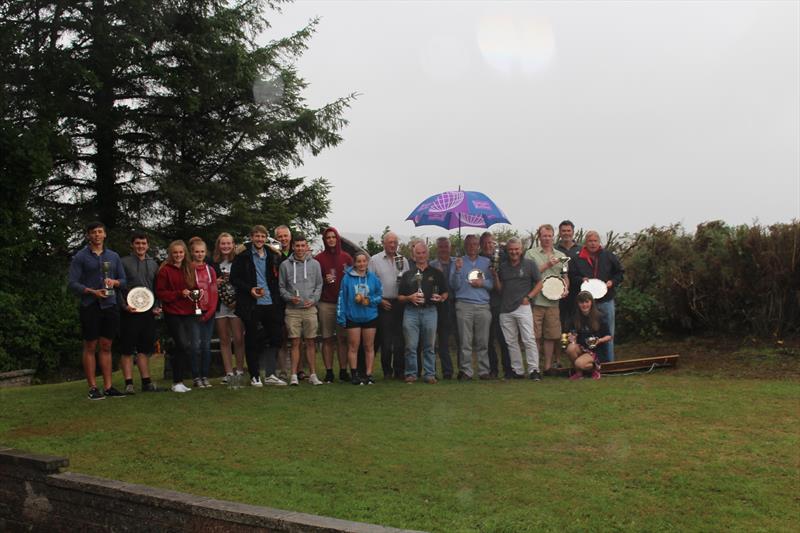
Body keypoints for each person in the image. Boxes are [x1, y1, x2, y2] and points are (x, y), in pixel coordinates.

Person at [67, 221, 127, 400]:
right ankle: (93, 387)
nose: (97, 235)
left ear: (105, 234)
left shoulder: (114, 256)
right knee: (90, 346)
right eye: (93, 232)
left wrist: (114, 283)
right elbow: (72, 283)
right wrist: (92, 292)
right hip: (90, 305)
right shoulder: (80, 257)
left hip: (110, 305)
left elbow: (123, 281)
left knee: (107, 346)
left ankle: (108, 387)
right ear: (88, 235)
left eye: (100, 232)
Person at [230, 225, 286, 387]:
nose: (260, 239)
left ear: (266, 238)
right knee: (252, 340)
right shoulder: (243, 255)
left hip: (271, 302)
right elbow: (234, 279)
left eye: (262, 236)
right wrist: (250, 289)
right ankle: (255, 375)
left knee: (276, 337)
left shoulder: (272, 255)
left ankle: (270, 373)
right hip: (252, 304)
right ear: (252, 237)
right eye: (257, 236)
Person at [397, 241, 448, 384]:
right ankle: (411, 374)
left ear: (428, 254)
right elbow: (399, 297)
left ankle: (430, 374)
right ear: (413, 256)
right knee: (411, 346)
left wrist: (441, 298)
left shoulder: (436, 273)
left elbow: (445, 293)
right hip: (411, 312)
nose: (420, 256)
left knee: (429, 346)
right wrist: (409, 297)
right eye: (417, 253)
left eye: (423, 253)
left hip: (430, 311)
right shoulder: (407, 274)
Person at [279, 234, 324, 386]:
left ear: (306, 246)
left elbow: (319, 285)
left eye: (302, 245)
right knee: (295, 342)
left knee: (311, 342)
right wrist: (290, 298)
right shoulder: (285, 265)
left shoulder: (315, 264)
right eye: (297, 246)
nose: (300, 249)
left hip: (310, 309)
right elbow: (281, 287)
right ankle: (293, 375)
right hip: (292, 310)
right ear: (293, 247)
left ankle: (313, 374)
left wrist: (313, 300)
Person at [572, 230, 624, 361]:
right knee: (588, 334)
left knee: (608, 334)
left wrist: (612, 282)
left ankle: (609, 364)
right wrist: (581, 280)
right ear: (585, 242)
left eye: (595, 241)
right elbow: (572, 277)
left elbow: (620, 273)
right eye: (590, 241)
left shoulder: (608, 255)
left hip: (606, 301)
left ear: (599, 242)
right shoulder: (577, 258)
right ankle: (590, 363)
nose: (593, 243)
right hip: (586, 304)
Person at [495, 237, 542, 380]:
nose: (514, 252)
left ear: (521, 250)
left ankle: (534, 370)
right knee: (511, 342)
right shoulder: (502, 266)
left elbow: (540, 283)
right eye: (511, 250)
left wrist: (529, 297)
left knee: (529, 339)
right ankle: (518, 371)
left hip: (523, 307)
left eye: (516, 249)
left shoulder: (529, 264)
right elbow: (499, 290)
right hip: (505, 309)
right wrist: (494, 276)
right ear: (507, 251)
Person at [119, 232, 161, 393]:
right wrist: (124, 306)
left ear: (148, 245)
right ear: (132, 245)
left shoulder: (154, 264)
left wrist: (157, 306)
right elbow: (119, 288)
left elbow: (156, 288)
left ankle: (146, 382)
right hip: (130, 312)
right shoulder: (123, 262)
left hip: (149, 312)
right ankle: (129, 383)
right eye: (137, 243)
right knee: (127, 349)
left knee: (145, 349)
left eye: (143, 243)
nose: (140, 246)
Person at [526, 224, 569, 374]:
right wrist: (547, 265)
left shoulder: (561, 255)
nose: (547, 238)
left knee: (551, 336)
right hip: (536, 301)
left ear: (553, 237)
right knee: (535, 336)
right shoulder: (531, 254)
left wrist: (566, 288)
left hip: (553, 302)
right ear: (539, 236)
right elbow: (529, 274)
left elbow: (565, 276)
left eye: (550, 236)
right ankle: (535, 366)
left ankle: (548, 366)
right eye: (544, 236)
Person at [450, 234, 494, 380]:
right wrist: (457, 270)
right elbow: (454, 285)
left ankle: (484, 371)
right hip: (464, 305)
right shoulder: (458, 262)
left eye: (475, 244)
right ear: (465, 246)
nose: (472, 247)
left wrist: (482, 283)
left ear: (478, 246)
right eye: (469, 244)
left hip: (483, 305)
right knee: (465, 341)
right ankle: (466, 371)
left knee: (483, 341)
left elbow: (492, 284)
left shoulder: (487, 262)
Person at [155, 240, 196, 393]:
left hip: (188, 312)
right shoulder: (165, 270)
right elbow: (161, 293)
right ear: (170, 254)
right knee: (181, 345)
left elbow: (194, 288)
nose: (178, 255)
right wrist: (179, 294)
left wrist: (196, 294)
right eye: (175, 253)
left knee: (184, 346)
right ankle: (176, 381)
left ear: (185, 253)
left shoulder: (189, 268)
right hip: (172, 312)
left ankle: (180, 381)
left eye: (181, 252)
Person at [337, 251, 382, 385]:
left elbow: (379, 296)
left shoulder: (373, 278)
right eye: (359, 261)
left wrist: (370, 301)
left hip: (370, 316)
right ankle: (355, 374)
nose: (362, 264)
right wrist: (341, 317)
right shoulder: (347, 278)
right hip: (353, 316)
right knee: (353, 347)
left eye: (364, 261)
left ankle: (368, 374)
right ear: (354, 263)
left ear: (367, 262)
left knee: (369, 346)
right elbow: (342, 298)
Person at [314, 227, 353, 383]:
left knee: (343, 339)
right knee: (327, 338)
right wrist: (324, 280)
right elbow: (315, 282)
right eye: (328, 237)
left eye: (333, 237)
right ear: (325, 240)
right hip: (326, 304)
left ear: (337, 239)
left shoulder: (347, 258)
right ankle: (329, 371)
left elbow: (353, 278)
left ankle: (344, 370)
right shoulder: (318, 259)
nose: (331, 240)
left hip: (343, 304)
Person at [369, 232, 409, 379]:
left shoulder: (403, 260)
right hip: (383, 303)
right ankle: (387, 370)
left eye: (395, 242)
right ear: (384, 244)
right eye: (390, 242)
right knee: (386, 340)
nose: (392, 245)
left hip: (400, 302)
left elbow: (409, 281)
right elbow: (369, 283)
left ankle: (399, 371)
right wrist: (379, 300)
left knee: (400, 340)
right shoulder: (374, 260)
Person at [212, 232, 245, 384]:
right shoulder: (213, 262)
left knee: (238, 338)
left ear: (233, 245)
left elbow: (243, 281)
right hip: (220, 305)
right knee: (224, 339)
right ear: (219, 245)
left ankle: (239, 370)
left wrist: (237, 300)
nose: (225, 246)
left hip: (236, 304)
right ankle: (229, 373)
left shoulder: (239, 261)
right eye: (222, 243)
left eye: (228, 243)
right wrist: (215, 283)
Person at [188, 237, 218, 389]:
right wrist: (194, 310)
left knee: (206, 346)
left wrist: (211, 311)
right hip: (193, 312)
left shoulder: (210, 270)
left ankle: (205, 376)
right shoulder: (188, 269)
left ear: (206, 253)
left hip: (209, 312)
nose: (199, 254)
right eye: (196, 252)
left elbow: (214, 292)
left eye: (202, 252)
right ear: (192, 253)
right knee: (195, 346)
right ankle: (196, 377)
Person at [480, 231, 510, 378]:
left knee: (503, 338)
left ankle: (508, 368)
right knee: (488, 339)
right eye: (485, 243)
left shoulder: (503, 258)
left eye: (490, 242)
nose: (488, 245)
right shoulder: (478, 259)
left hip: (500, 303)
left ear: (495, 243)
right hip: (484, 303)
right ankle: (493, 369)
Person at [566, 291, 612, 380]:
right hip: (582, 348)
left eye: (587, 302)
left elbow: (609, 336)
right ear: (578, 304)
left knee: (579, 363)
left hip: (597, 350)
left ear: (591, 302)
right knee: (570, 348)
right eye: (581, 302)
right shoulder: (575, 318)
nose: (584, 305)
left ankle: (595, 368)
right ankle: (579, 373)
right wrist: (572, 338)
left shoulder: (599, 316)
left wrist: (599, 341)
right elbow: (572, 334)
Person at [429, 236, 456, 379]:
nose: (443, 249)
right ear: (437, 248)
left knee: (445, 341)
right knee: (432, 341)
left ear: (450, 248)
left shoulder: (457, 263)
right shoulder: (431, 265)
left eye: (446, 246)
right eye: (441, 247)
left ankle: (448, 371)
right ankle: (431, 371)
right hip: (434, 305)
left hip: (451, 304)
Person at [556, 220, 581, 330]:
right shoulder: (554, 250)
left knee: (576, 320)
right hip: (558, 291)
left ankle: (575, 346)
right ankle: (560, 346)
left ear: (573, 232)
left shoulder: (581, 249)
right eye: (563, 231)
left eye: (568, 230)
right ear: (560, 233)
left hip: (577, 291)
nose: (566, 233)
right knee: (559, 321)